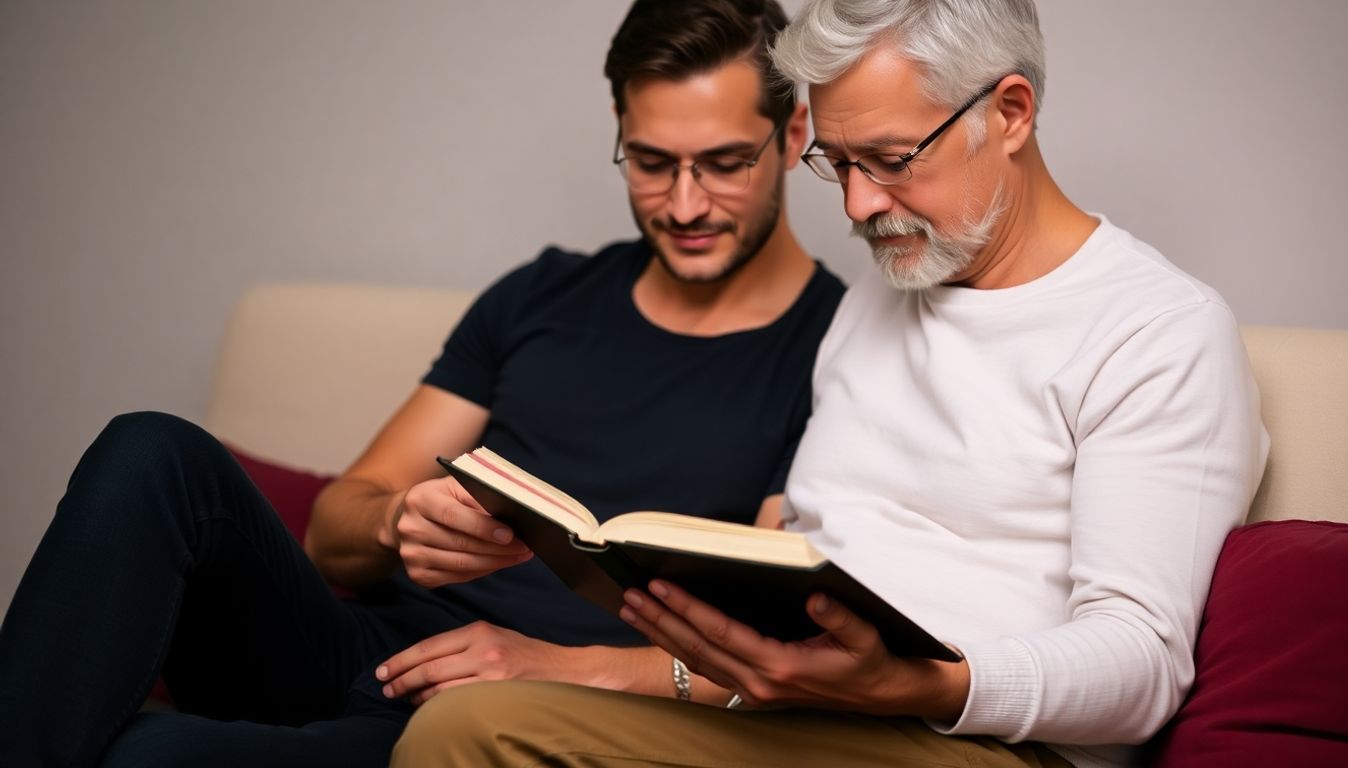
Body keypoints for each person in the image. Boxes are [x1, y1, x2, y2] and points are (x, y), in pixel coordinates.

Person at [389, 1, 1270, 767]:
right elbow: (799, 559)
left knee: (468, 736)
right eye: (839, 164)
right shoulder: (876, 303)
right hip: (803, 717)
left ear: (1009, 112)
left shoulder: (1157, 331)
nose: (855, 206)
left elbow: (1142, 664)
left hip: (989, 745)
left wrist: (918, 685)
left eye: (889, 158)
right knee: (461, 725)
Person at [0, 1, 844, 765]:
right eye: (651, 163)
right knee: (152, 448)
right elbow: (334, 528)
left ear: (794, 129)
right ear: (621, 131)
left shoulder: (838, 353)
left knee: (137, 754)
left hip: (500, 724)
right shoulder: (541, 296)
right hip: (358, 647)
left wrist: (550, 668)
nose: (686, 204)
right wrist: (399, 522)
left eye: (725, 163)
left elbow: (768, 651)